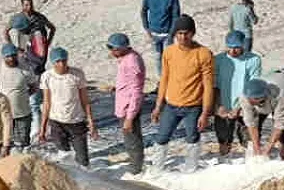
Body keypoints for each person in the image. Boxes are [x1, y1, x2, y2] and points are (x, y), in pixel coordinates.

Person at [150, 14, 215, 173]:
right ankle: (156, 170)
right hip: (171, 105)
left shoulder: (204, 53)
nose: (183, 37)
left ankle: (191, 169)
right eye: (179, 33)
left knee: (192, 139)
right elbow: (164, 79)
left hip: (193, 107)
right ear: (174, 34)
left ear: (193, 33)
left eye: (186, 33)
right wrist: (158, 106)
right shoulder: (169, 52)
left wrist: (205, 113)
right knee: (161, 137)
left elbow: (208, 86)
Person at [38, 48, 97, 168]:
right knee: (64, 156)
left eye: (64, 61)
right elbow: (46, 102)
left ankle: (86, 179)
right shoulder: (47, 76)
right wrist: (43, 128)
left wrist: (91, 122)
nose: (62, 64)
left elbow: (85, 100)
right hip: (56, 122)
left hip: (76, 121)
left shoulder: (77, 74)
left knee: (83, 160)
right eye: (58, 61)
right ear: (52, 62)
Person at [212, 30, 262, 157]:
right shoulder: (218, 60)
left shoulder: (253, 60)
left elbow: (253, 85)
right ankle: (223, 163)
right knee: (223, 138)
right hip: (224, 104)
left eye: (237, 48)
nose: (233, 51)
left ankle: (252, 162)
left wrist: (240, 107)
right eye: (230, 47)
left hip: (245, 104)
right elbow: (215, 85)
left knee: (248, 138)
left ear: (243, 46)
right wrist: (218, 106)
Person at [108, 33, 146, 174]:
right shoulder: (126, 57)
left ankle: (136, 170)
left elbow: (136, 92)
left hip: (129, 109)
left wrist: (130, 118)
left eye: (113, 48)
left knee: (132, 140)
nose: (111, 51)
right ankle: (136, 165)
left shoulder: (131, 63)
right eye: (109, 47)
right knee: (131, 139)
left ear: (122, 48)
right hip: (124, 106)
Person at [0, 44, 39, 152]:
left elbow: (34, 86)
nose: (11, 58)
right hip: (4, 113)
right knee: (6, 142)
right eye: (8, 56)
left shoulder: (25, 68)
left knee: (23, 143)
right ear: (3, 57)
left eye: (13, 55)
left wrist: (24, 96)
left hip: (23, 112)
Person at [240, 77, 284, 159]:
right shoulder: (245, 98)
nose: (250, 102)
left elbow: (280, 124)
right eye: (249, 100)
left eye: (254, 100)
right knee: (255, 127)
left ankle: (283, 156)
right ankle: (255, 153)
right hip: (265, 98)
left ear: (263, 96)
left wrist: (268, 148)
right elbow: (251, 123)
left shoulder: (280, 95)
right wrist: (256, 147)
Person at [141, 0, 181, 75]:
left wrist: (172, 33)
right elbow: (143, 11)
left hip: (167, 34)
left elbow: (176, 16)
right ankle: (161, 79)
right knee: (157, 57)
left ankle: (170, 77)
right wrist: (147, 28)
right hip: (153, 34)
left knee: (168, 58)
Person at [4, 0, 56, 72]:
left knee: (39, 70)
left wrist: (48, 43)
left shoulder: (39, 17)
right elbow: (6, 31)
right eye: (26, 5)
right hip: (24, 49)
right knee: (26, 71)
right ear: (22, 6)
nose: (30, 7)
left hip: (38, 50)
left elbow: (52, 28)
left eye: (31, 4)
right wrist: (12, 47)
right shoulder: (17, 18)